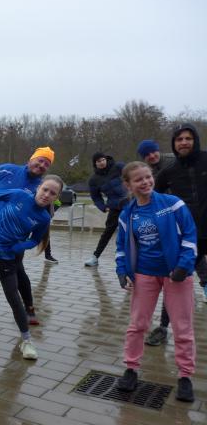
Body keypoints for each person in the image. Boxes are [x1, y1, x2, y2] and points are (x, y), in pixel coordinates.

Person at [115, 161, 197, 403]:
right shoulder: (127, 213)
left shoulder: (173, 204)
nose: (145, 182)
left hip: (176, 274)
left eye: (148, 177)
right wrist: (122, 270)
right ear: (128, 185)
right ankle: (131, 369)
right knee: (137, 324)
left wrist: (184, 265)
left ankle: (185, 376)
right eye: (138, 179)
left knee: (182, 328)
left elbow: (190, 235)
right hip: (144, 274)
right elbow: (121, 246)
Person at [0, 175, 63, 360]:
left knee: (13, 297)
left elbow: (35, 240)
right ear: (39, 187)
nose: (47, 195)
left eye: (52, 193)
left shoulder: (44, 218)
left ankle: (26, 341)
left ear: (56, 197)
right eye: (45, 189)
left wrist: (19, 247)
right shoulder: (19, 194)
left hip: (6, 257)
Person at [0, 147, 55, 325]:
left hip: (11, 241)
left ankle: (29, 308)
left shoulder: (42, 188)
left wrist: (23, 243)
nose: (42, 165)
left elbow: (44, 217)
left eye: (46, 164)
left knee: (18, 273)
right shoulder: (9, 170)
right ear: (31, 159)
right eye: (40, 160)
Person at [140, 137, 207, 344]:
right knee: (177, 275)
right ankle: (163, 327)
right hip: (185, 229)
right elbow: (149, 196)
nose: (151, 156)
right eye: (146, 154)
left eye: (188, 138)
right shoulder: (162, 173)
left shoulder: (181, 161)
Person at [84, 152, 127, 267]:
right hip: (114, 207)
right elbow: (96, 197)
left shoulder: (118, 167)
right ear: (95, 164)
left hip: (129, 203)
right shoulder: (94, 180)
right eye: (99, 161)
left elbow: (133, 175)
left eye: (103, 160)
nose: (102, 162)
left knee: (134, 230)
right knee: (107, 232)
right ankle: (95, 257)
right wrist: (103, 207)